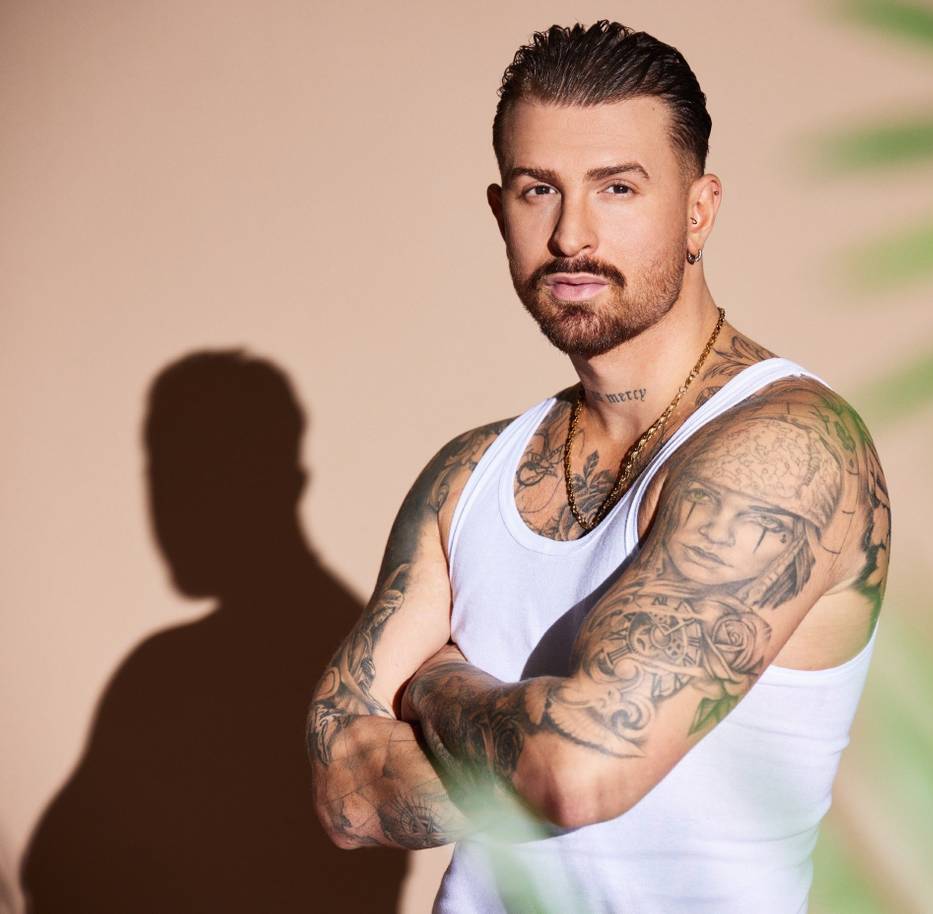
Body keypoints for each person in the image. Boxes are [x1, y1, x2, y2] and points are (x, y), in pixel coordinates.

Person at [306, 20, 891, 913]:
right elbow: (345, 795)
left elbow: (579, 773)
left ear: (698, 210)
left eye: (617, 187)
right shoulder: (469, 475)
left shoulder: (788, 448)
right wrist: (531, 743)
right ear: (500, 211)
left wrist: (436, 683)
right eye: (539, 190)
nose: (571, 234)